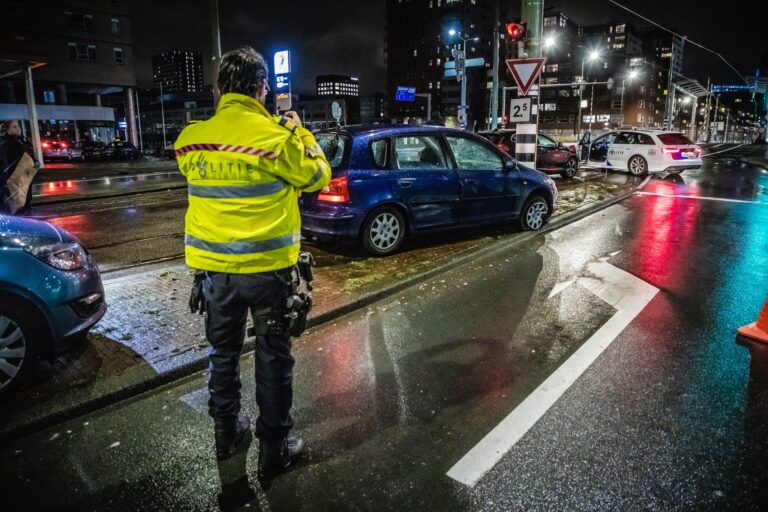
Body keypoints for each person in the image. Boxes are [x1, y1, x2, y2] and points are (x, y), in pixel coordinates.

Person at [175, 46, 331, 484]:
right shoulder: (277, 141)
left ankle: (227, 435)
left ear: (220, 89)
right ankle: (274, 449)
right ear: (262, 88)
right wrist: (298, 131)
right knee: (273, 358)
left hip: (215, 277)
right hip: (268, 276)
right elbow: (319, 174)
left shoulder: (192, 140)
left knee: (222, 356)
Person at [0, 120, 37, 215]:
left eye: (18, 126)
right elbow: (6, 164)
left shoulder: (21, 141)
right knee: (17, 210)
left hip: (23, 182)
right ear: (8, 130)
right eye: (14, 127)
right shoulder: (6, 144)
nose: (18, 129)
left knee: (24, 207)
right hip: (14, 184)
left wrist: (35, 163)